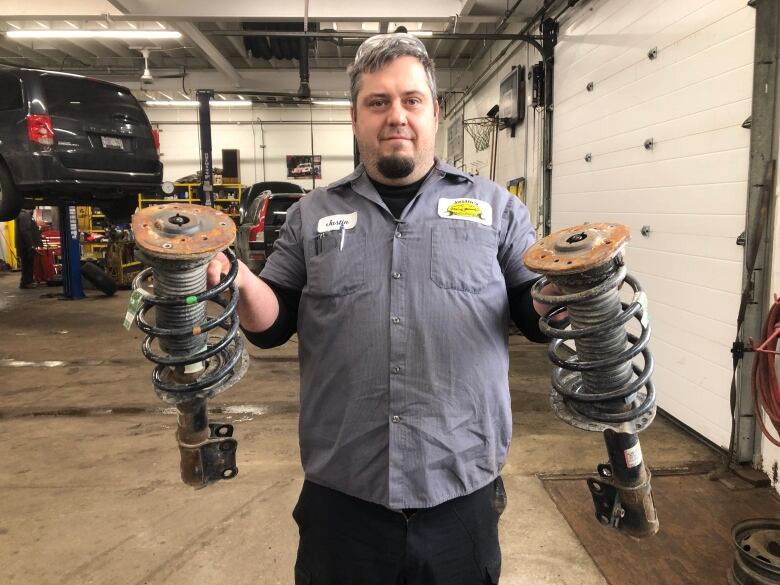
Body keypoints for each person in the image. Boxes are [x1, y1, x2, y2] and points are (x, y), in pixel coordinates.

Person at [208, 33, 560, 585]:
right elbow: (272, 325)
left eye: (410, 100)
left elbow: (534, 315)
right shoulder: (310, 215)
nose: (396, 115)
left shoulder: (497, 210)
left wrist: (572, 292)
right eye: (378, 102)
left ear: (434, 112)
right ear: (355, 117)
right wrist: (230, 276)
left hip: (460, 490)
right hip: (343, 494)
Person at [15, 206, 42, 289]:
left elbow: (29, 230)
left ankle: (28, 281)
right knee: (27, 264)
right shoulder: (24, 215)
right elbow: (25, 231)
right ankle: (26, 282)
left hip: (26, 245)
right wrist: (31, 244)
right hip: (26, 246)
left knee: (28, 263)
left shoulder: (24, 215)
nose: (33, 211)